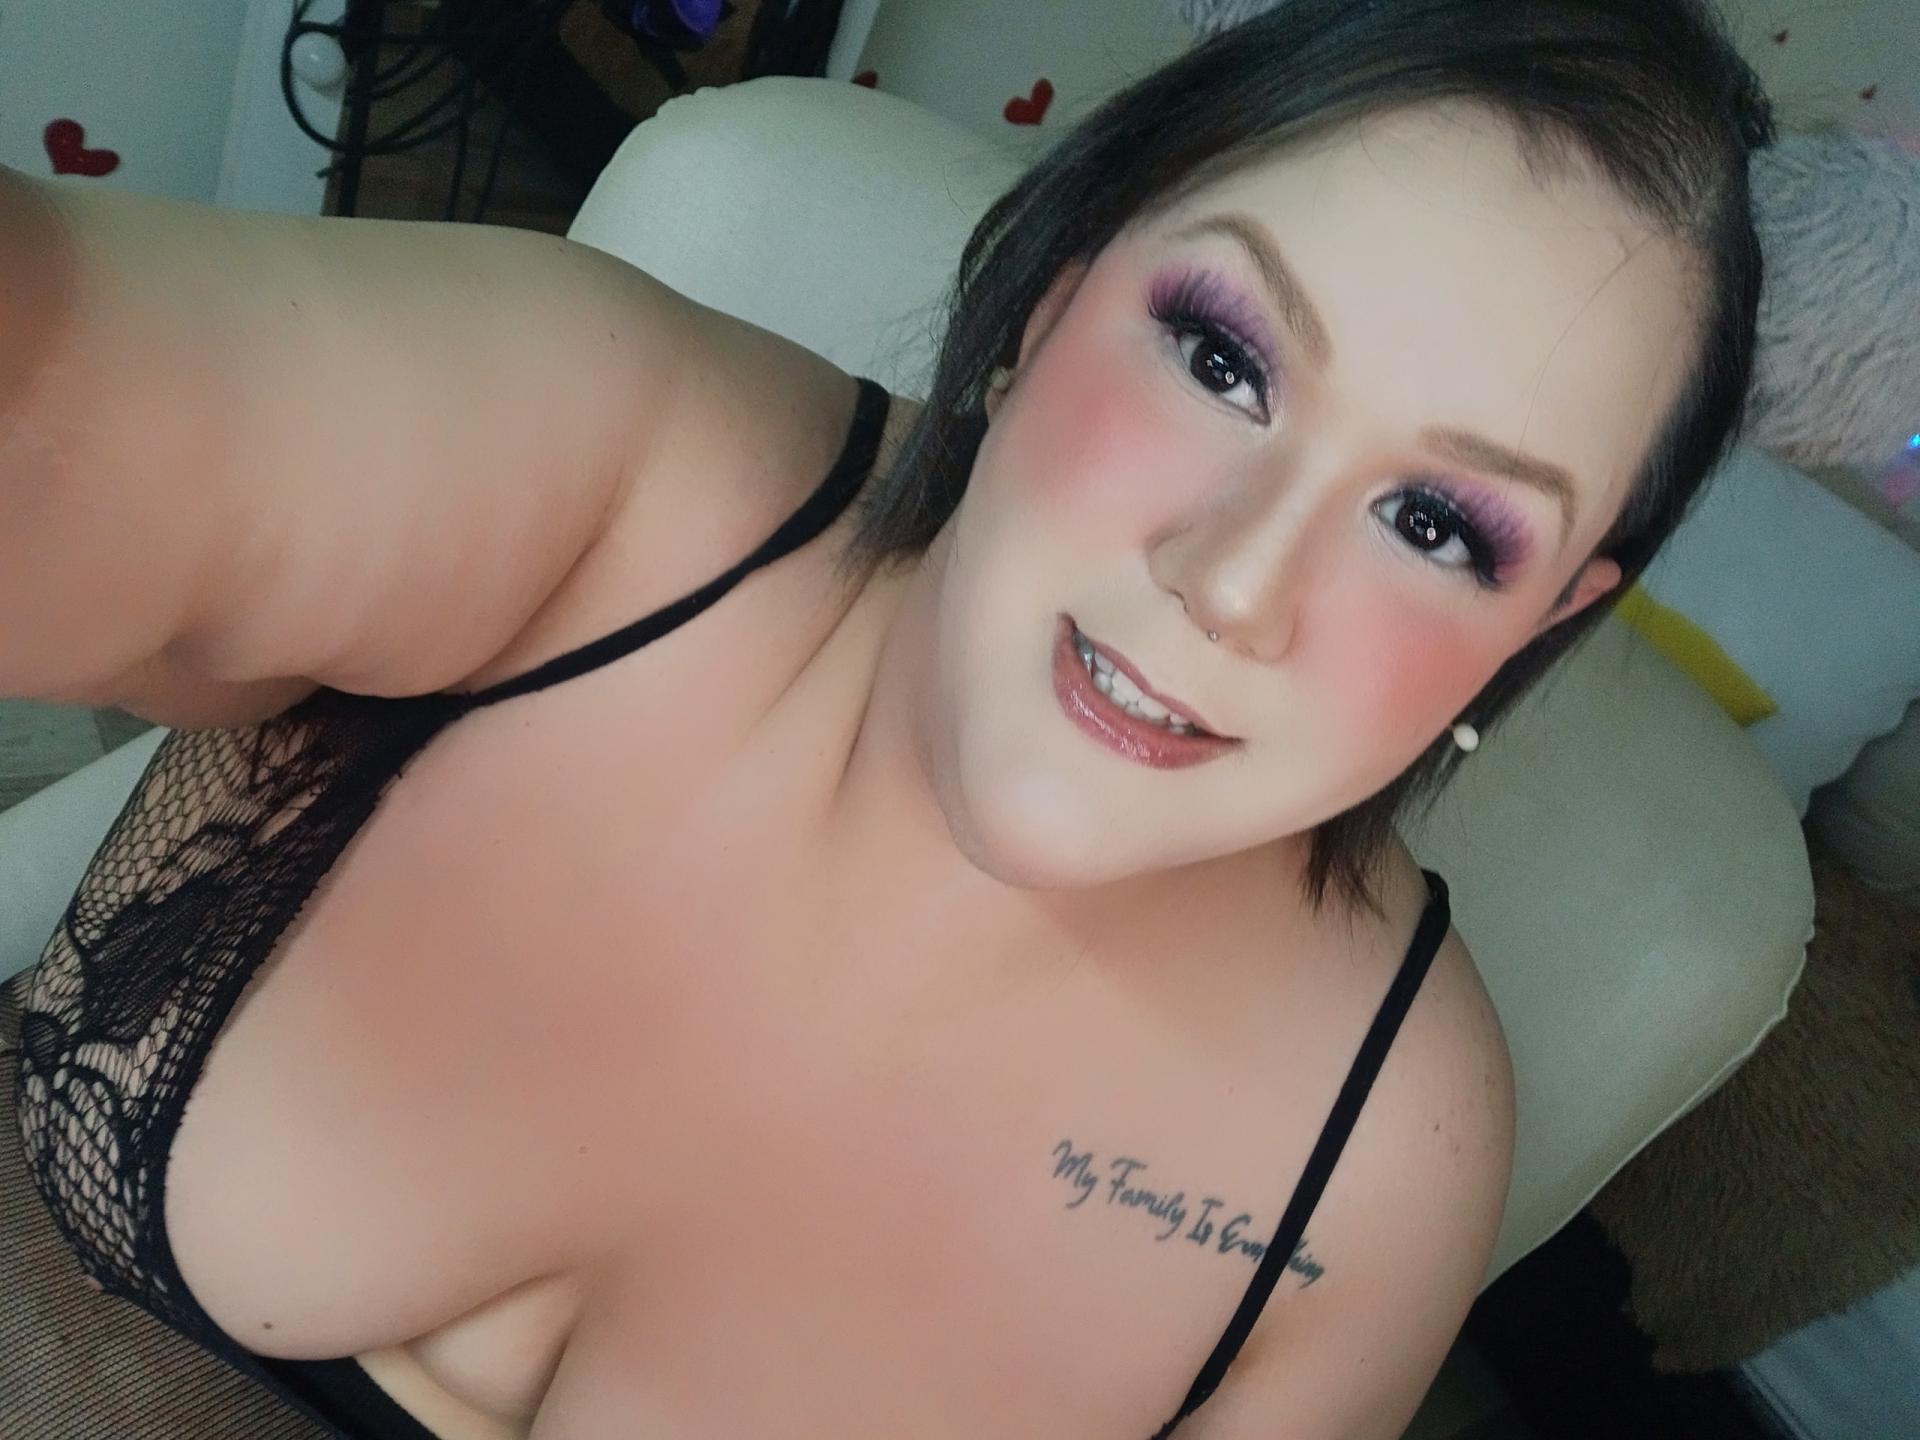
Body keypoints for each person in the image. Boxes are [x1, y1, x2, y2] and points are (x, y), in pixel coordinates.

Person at [2, 0, 1772, 1435]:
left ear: (1548, 617)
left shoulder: (1378, 1174)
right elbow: (71, 392)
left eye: (1439, 527)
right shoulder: (606, 462)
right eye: (1223, 358)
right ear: (1051, 294)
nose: (1237, 585)